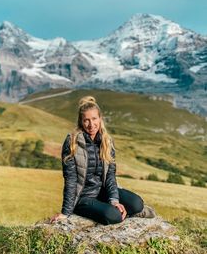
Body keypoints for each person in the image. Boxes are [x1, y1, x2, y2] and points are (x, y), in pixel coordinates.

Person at [50, 96, 155, 225]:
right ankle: (109, 211)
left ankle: (120, 208)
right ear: (81, 122)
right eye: (86, 120)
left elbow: (110, 175)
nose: (91, 124)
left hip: (102, 191)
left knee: (137, 203)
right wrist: (65, 212)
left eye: (94, 119)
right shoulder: (72, 142)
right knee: (114, 216)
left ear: (100, 119)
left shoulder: (107, 141)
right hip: (83, 197)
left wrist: (114, 200)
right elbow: (70, 179)